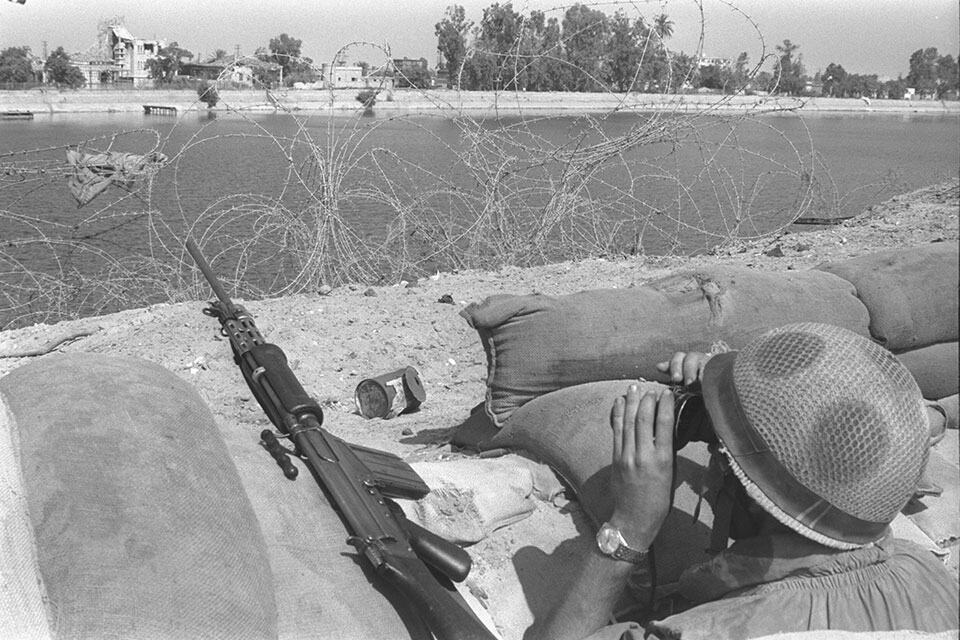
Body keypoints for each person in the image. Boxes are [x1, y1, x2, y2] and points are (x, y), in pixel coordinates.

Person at [530, 322, 959, 640]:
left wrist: (629, 526)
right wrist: (748, 393)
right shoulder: (925, 572)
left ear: (744, 494)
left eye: (721, 458)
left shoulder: (707, 631)